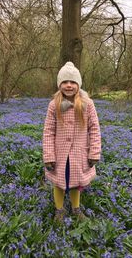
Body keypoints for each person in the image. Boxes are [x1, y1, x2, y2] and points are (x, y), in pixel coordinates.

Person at [42, 61, 101, 222]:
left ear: (79, 84)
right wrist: (48, 156)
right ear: (59, 84)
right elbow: (48, 131)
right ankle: (59, 210)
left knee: (76, 183)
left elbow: (94, 129)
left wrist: (94, 152)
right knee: (59, 182)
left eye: (73, 82)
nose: (69, 85)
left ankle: (76, 209)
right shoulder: (54, 105)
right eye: (65, 82)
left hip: (79, 153)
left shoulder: (88, 104)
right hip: (59, 154)